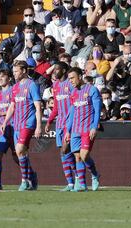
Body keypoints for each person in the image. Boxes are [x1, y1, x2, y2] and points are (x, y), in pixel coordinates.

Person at [1, 60, 42, 191]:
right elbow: (12, 106)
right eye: (13, 72)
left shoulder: (32, 85)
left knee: (19, 149)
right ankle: (32, 177)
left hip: (28, 123)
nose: (14, 74)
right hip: (16, 124)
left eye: (16, 71)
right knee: (21, 154)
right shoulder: (15, 87)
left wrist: (39, 126)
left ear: (24, 71)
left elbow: (38, 106)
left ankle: (24, 181)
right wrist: (6, 121)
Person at [65, 67, 101, 192]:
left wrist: (94, 127)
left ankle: (95, 174)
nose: (71, 81)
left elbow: (97, 111)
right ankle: (82, 185)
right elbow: (72, 113)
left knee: (84, 155)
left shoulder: (92, 90)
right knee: (77, 157)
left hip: (87, 128)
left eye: (72, 78)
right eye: (69, 79)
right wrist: (68, 130)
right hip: (75, 129)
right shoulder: (73, 93)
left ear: (80, 76)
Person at [45, 62, 77, 191]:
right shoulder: (56, 85)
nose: (54, 72)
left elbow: (75, 104)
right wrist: (49, 121)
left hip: (70, 123)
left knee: (65, 150)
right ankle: (70, 183)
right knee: (62, 153)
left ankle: (79, 179)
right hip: (59, 123)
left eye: (57, 69)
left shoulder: (70, 84)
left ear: (64, 70)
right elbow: (57, 107)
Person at [0, 69, 23, 190]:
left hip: (15, 127)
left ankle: (29, 176)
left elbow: (17, 109)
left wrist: (1, 113)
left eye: (3, 77)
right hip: (3, 129)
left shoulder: (14, 90)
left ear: (9, 78)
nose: (0, 79)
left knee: (17, 156)